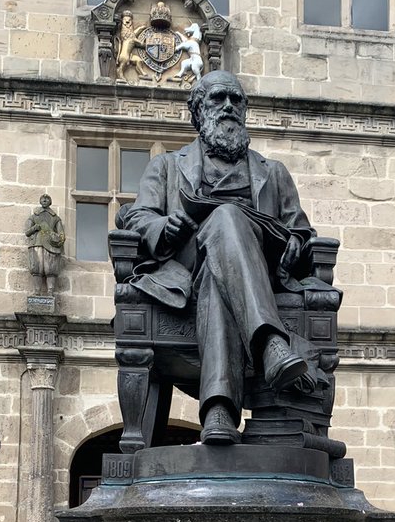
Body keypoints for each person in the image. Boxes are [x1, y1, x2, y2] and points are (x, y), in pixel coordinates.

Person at [120, 71, 314, 444]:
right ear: (198, 111)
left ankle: (219, 412)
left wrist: (296, 242)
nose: (228, 106)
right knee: (226, 217)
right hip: (184, 269)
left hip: (252, 272)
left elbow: (302, 231)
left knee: (220, 263)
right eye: (218, 99)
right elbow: (137, 216)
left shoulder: (272, 173)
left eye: (236, 100)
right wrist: (164, 226)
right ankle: (270, 344)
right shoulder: (167, 166)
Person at [24, 194, 65, 296]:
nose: (45, 200)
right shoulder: (34, 216)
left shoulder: (56, 218)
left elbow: (62, 235)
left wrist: (54, 238)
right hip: (37, 243)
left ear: (50, 202)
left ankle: (50, 292)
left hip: (51, 246)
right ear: (40, 201)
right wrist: (35, 227)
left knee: (50, 269)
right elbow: (27, 232)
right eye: (43, 199)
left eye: (47, 199)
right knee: (37, 268)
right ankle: (37, 292)